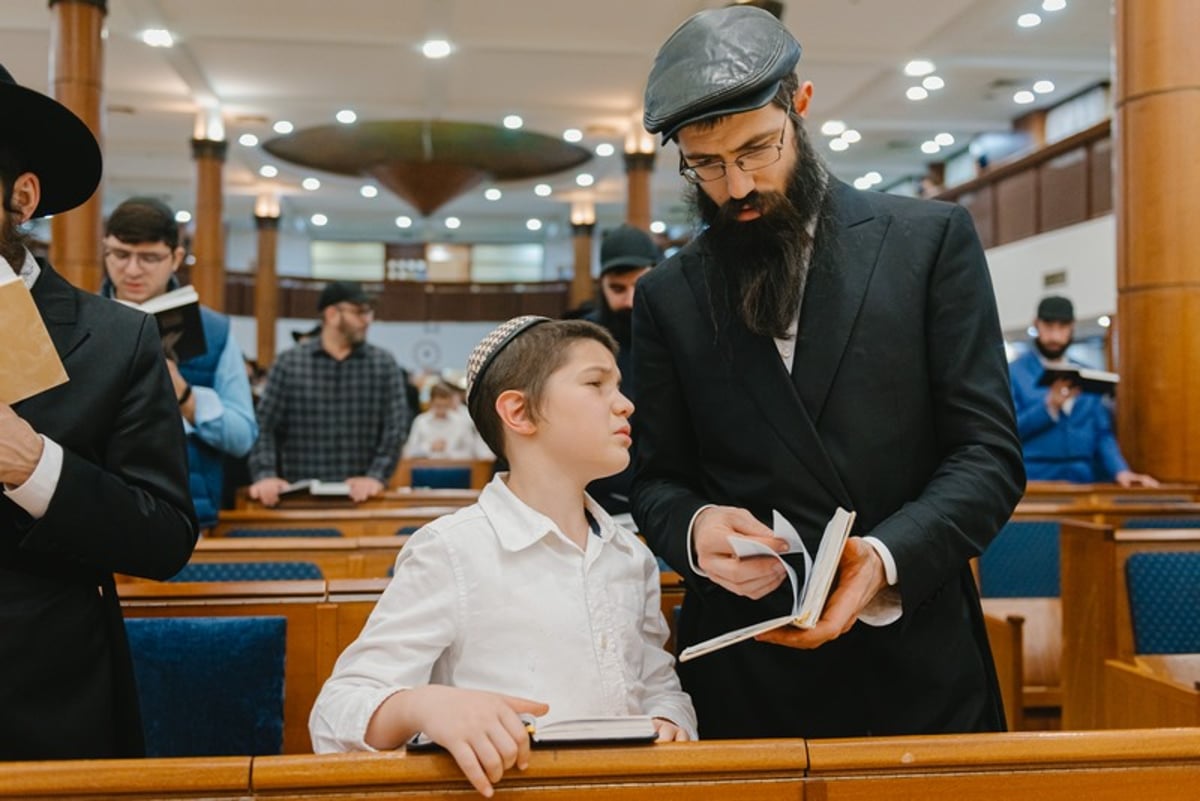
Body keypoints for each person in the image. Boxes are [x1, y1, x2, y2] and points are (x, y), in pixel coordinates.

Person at [631, 6, 1025, 739]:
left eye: (757, 150)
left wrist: (882, 557)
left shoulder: (927, 243)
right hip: (746, 670)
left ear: (800, 105)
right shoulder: (668, 294)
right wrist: (694, 526)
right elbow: (652, 478)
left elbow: (989, 456)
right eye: (707, 165)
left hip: (914, 661)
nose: (737, 186)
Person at [310, 317, 696, 796]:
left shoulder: (628, 557)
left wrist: (668, 717)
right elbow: (337, 711)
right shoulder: (451, 550)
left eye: (618, 385)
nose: (625, 403)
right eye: (596, 384)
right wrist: (424, 705)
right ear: (519, 412)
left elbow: (659, 684)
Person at [0, 63, 197, 759]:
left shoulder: (116, 337)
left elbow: (167, 537)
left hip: (39, 698)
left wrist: (36, 467)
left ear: (20, 196)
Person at [101, 197, 258, 528]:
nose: (131, 270)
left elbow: (242, 436)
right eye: (120, 254)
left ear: (174, 258)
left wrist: (186, 396)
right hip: (97, 507)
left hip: (185, 515)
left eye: (149, 258)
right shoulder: (78, 320)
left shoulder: (214, 331)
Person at [248, 281, 409, 505]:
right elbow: (264, 425)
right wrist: (265, 474)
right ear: (332, 314)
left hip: (364, 498)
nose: (367, 320)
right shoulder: (289, 363)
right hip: (299, 497)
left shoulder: (383, 364)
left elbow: (396, 428)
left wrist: (375, 476)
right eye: (359, 312)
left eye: (369, 312)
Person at [1009, 295, 1157, 487]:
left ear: (1072, 327)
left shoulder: (1087, 375)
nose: (1054, 336)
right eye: (1049, 327)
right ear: (1036, 325)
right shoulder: (1014, 373)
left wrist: (1121, 471)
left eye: (1062, 327)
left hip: (1083, 481)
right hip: (1034, 480)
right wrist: (1048, 406)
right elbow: (1007, 431)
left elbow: (1102, 433)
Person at [583, 224, 660, 515]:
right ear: (601, 285)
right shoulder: (583, 341)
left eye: (640, 287)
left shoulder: (682, 335)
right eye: (617, 288)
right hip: (600, 501)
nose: (630, 300)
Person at [401, 382, 479, 459]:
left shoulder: (461, 422)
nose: (441, 410)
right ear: (431, 402)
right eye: (438, 406)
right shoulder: (420, 422)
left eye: (445, 406)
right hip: (425, 468)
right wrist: (429, 447)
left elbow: (470, 451)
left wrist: (448, 453)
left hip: (454, 468)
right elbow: (409, 451)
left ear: (449, 403)